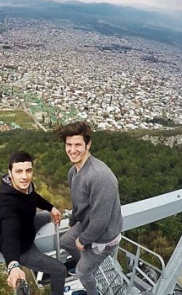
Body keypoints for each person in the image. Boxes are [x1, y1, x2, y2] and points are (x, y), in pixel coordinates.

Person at [56, 121, 123, 295]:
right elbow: (78, 204)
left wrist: (82, 240)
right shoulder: (74, 172)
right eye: (68, 145)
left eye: (78, 144)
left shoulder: (100, 177)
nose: (72, 150)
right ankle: (85, 262)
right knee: (65, 242)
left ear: (88, 144)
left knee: (82, 273)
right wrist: (72, 221)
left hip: (105, 237)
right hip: (87, 224)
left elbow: (101, 222)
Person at [0, 151, 67, 295]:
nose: (25, 176)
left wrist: (51, 208)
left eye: (28, 170)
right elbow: (10, 235)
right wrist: (13, 265)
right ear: (10, 173)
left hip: (27, 226)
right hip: (22, 248)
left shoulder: (25, 188)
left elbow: (34, 197)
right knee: (60, 270)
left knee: (46, 215)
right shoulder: (7, 205)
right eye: (19, 171)